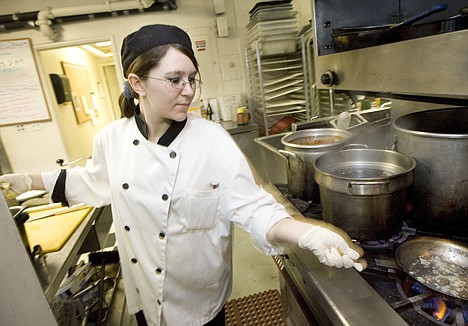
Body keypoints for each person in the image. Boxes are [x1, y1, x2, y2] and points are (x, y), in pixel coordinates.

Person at [0, 24, 364, 326]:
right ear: (137, 83)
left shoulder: (212, 141)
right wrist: (29, 181)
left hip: (201, 306)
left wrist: (307, 233)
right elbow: (92, 182)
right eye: (174, 79)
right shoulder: (112, 139)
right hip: (144, 299)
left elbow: (254, 208)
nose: (188, 90)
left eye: (192, 78)